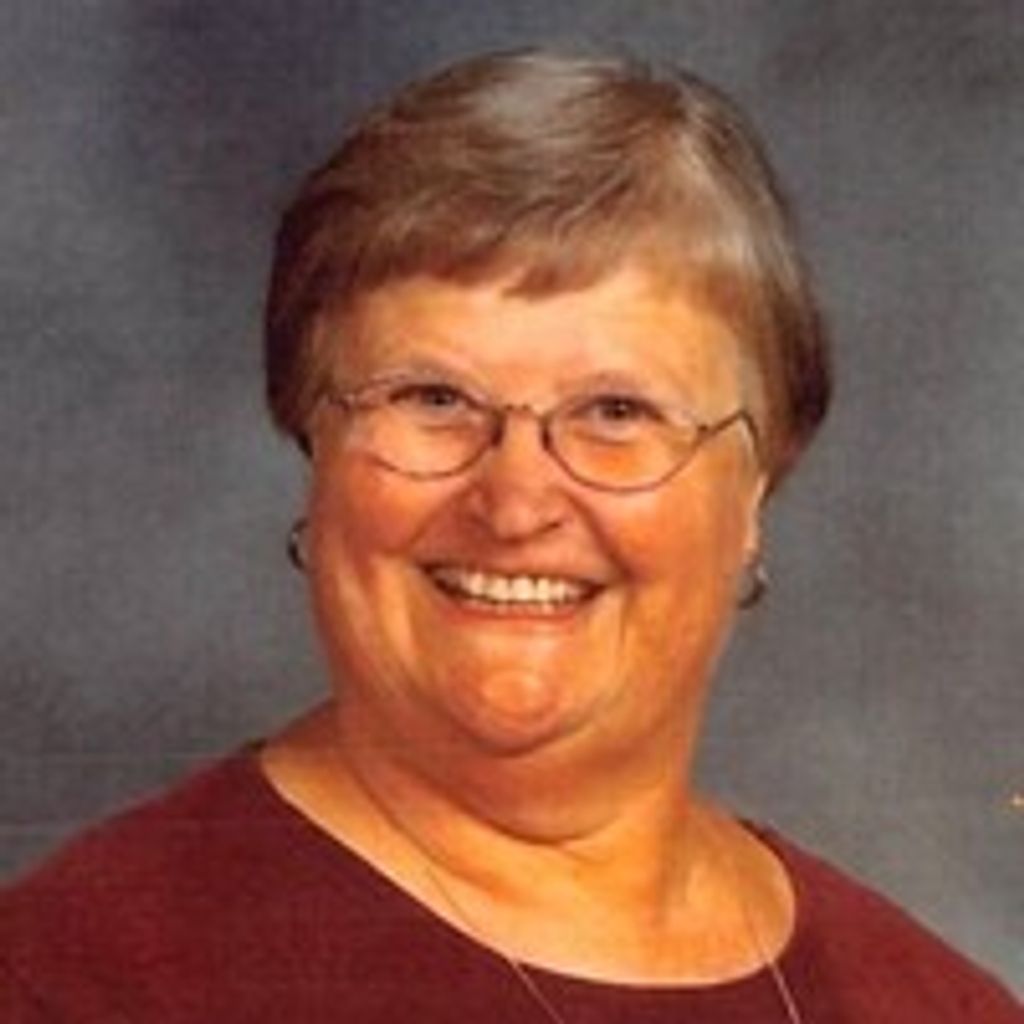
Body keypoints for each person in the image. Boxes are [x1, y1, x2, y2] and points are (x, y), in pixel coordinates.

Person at [1, 50, 1019, 1023]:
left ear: (754, 489)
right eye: (433, 398)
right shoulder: (78, 976)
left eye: (616, 411)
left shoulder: (933, 1005)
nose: (517, 501)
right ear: (311, 437)